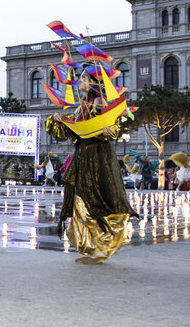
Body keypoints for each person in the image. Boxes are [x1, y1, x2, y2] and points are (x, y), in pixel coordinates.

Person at [46, 69, 137, 264]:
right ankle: (90, 246)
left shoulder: (99, 103)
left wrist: (109, 131)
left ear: (94, 82)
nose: (81, 82)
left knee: (93, 199)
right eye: (80, 79)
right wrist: (59, 121)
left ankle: (102, 246)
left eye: (84, 78)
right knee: (80, 199)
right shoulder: (81, 106)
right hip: (82, 156)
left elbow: (112, 127)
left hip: (97, 158)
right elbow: (68, 133)